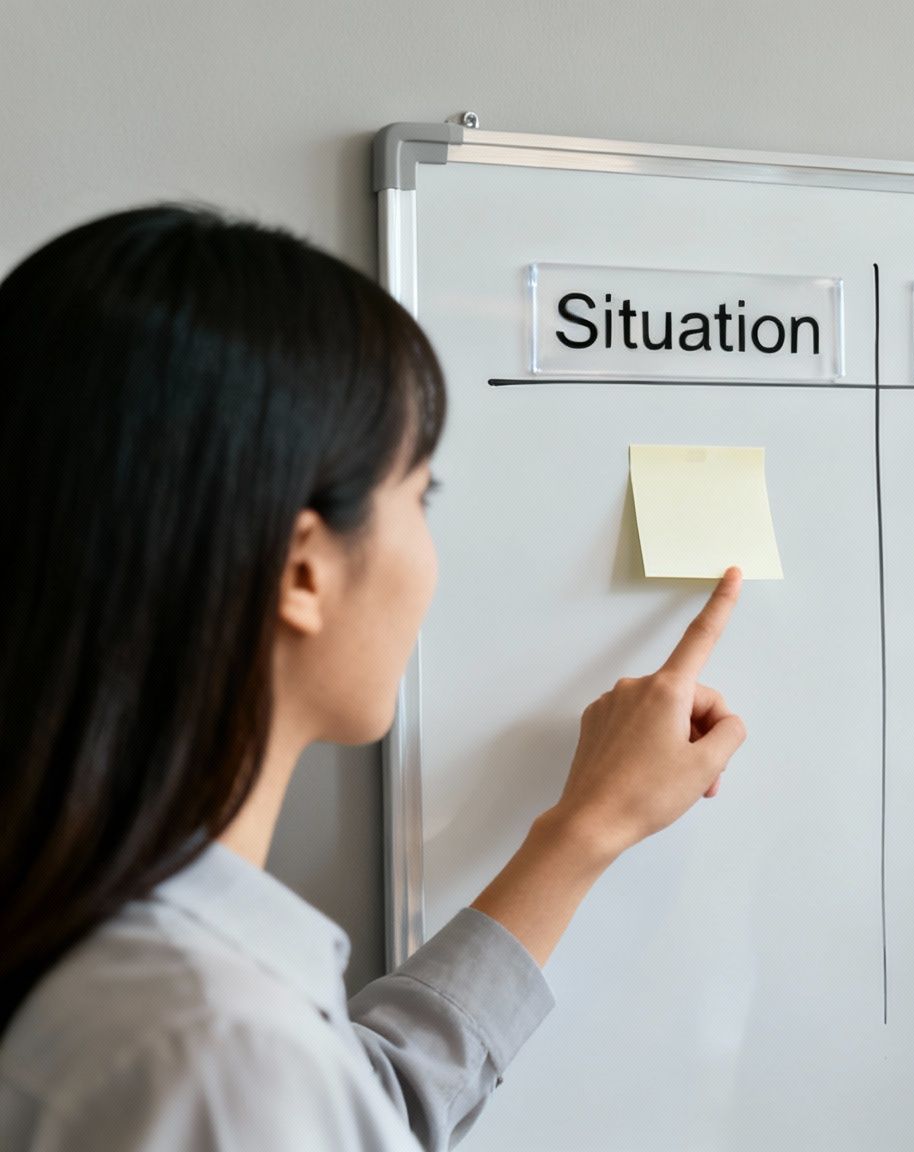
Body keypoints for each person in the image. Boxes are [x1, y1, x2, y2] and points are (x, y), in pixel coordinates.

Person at [0, 206, 749, 1151]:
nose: (433, 552)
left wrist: (585, 830)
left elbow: (357, 1104)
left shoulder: (133, 976)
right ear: (302, 568)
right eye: (420, 494)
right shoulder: (209, 1046)